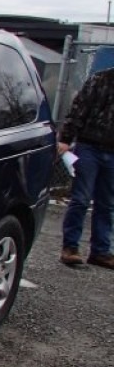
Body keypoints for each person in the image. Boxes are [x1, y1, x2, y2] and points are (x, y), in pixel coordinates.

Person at [58, 67, 114, 268]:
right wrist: (65, 138)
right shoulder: (101, 80)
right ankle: (70, 247)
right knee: (81, 199)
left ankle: (101, 251)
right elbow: (79, 109)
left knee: (106, 204)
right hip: (89, 145)